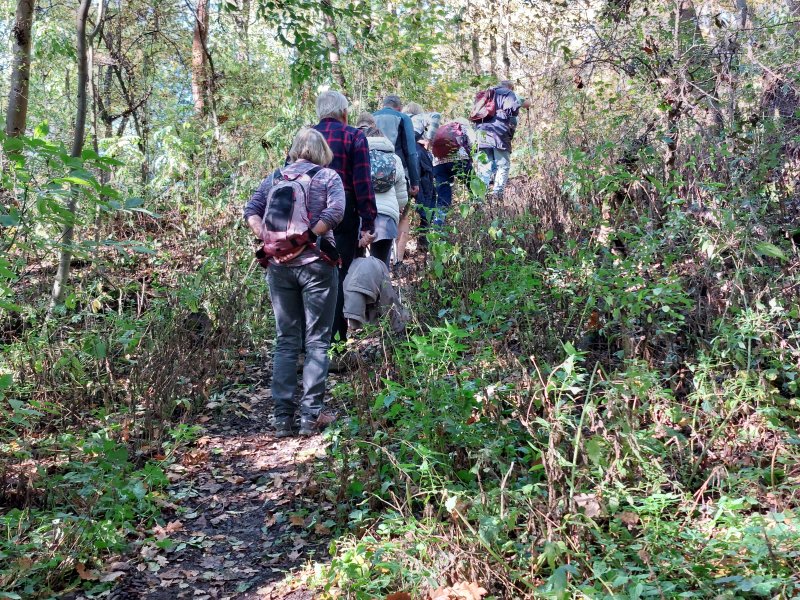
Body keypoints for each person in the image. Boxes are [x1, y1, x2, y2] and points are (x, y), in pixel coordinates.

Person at [243, 128, 344, 438]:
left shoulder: (274, 177)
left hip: (278, 266)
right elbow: (337, 211)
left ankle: (281, 418)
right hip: (317, 266)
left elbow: (251, 210)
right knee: (317, 340)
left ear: (294, 149)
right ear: (322, 152)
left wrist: (272, 240)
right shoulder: (328, 177)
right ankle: (310, 416)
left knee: (286, 340)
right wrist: (310, 237)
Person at [312, 91, 377, 343]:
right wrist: (368, 222)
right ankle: (335, 343)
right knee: (337, 273)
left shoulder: (305, 137)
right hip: (343, 214)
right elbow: (362, 182)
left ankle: (309, 344)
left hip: (307, 214)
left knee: (309, 274)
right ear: (344, 113)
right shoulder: (354, 136)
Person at [356, 112, 409, 268]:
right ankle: (380, 290)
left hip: (359, 215)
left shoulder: (357, 155)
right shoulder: (394, 159)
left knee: (355, 260)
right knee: (380, 263)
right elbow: (402, 199)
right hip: (386, 218)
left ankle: (355, 289)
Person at [475, 80, 531, 200]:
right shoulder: (508, 93)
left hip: (481, 134)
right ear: (510, 88)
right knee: (503, 165)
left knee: (484, 166)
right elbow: (525, 105)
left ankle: (480, 199)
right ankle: (497, 195)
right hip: (499, 133)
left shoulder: (486, 94)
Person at [403, 103, 439, 253]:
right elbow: (436, 116)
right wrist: (429, 139)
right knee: (427, 201)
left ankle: (398, 248)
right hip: (420, 158)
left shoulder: (401, 120)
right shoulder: (418, 118)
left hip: (403, 160)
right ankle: (423, 240)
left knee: (402, 209)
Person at [431, 117, 476, 226]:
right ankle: (478, 214)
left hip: (438, 164)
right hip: (460, 160)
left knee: (443, 197)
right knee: (474, 187)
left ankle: (438, 225)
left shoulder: (441, 129)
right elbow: (473, 143)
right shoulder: (463, 127)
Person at [373, 95, 420, 198]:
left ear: (383, 105)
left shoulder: (371, 117)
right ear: (400, 107)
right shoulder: (403, 118)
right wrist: (414, 181)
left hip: (372, 169)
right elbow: (411, 151)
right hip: (397, 169)